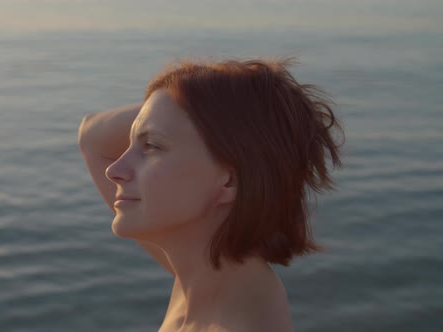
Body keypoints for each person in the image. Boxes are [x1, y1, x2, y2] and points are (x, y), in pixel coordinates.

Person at [77, 57, 344, 332]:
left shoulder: (230, 313)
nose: (114, 169)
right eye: (132, 143)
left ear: (229, 182)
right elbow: (92, 136)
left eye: (152, 146)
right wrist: (183, 103)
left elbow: (92, 137)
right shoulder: (207, 276)